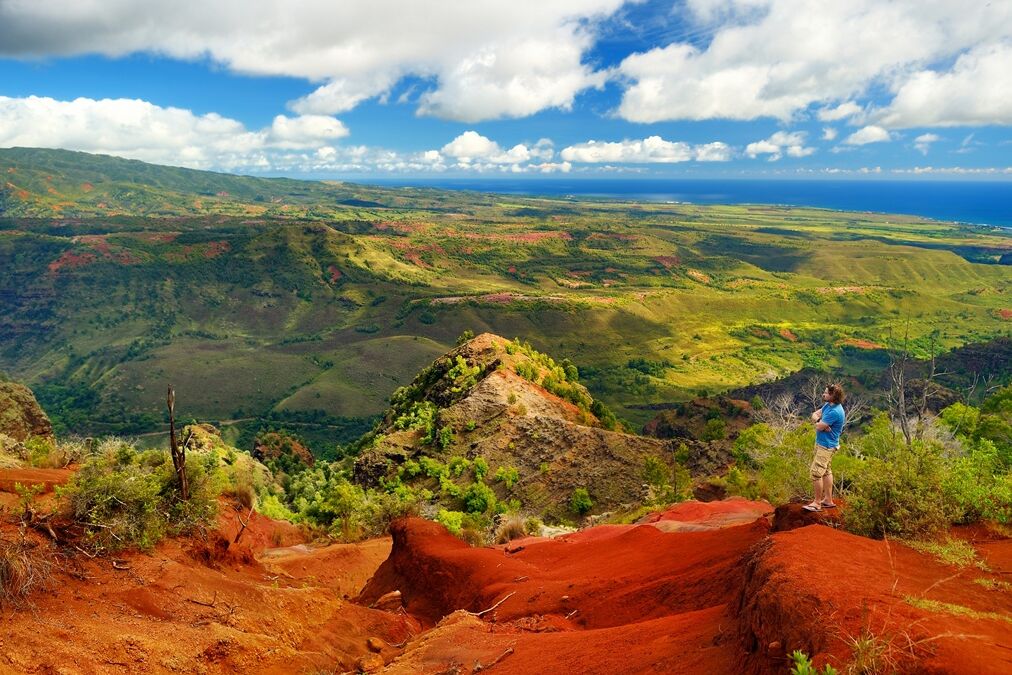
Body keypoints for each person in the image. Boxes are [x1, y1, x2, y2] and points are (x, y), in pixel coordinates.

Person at [803, 383, 846, 512]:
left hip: (827, 446)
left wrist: (820, 424)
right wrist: (819, 422)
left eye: (826, 393)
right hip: (823, 444)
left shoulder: (835, 411)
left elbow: (818, 426)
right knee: (826, 471)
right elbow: (814, 415)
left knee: (816, 473)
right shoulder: (829, 405)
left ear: (833, 396)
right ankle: (828, 499)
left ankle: (817, 503)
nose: (824, 394)